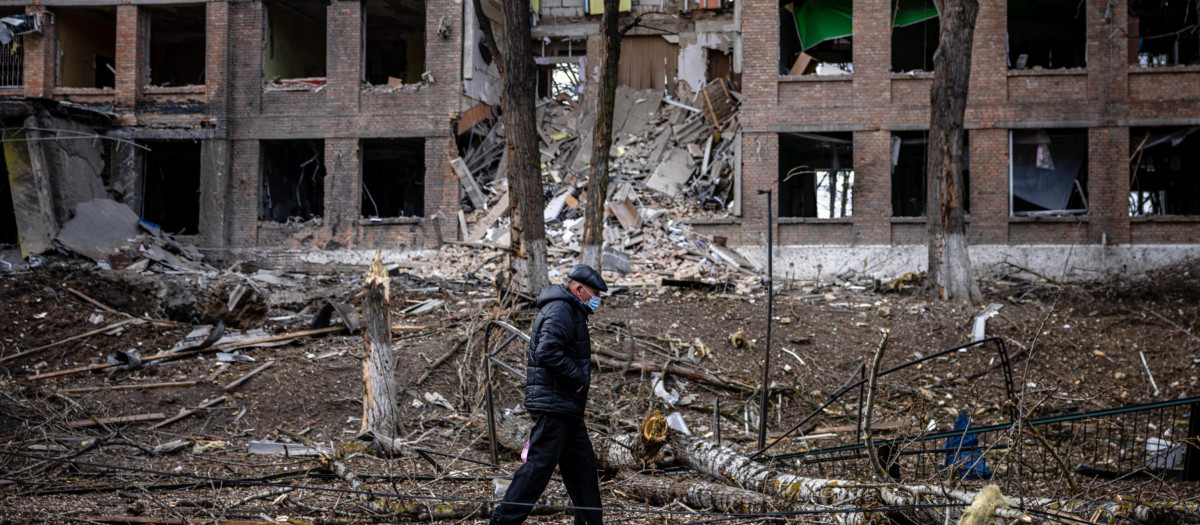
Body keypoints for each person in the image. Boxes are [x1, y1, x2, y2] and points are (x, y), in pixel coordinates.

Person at [490, 264, 607, 525]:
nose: (597, 299)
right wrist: (576, 378)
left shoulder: (571, 310)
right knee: (538, 468)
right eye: (594, 293)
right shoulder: (561, 310)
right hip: (555, 404)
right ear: (578, 289)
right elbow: (547, 351)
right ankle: (502, 521)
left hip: (566, 407)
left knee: (582, 469)